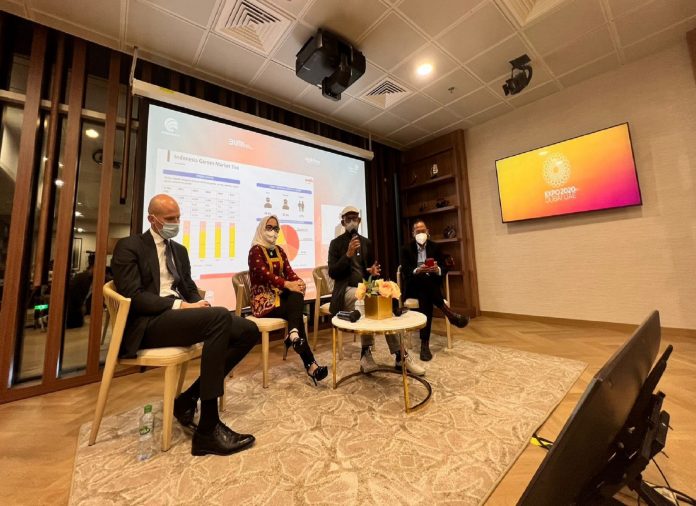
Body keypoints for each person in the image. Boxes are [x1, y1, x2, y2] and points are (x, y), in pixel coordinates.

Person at [111, 194, 259, 457]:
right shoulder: (129, 246)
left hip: (176, 318)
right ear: (152, 219)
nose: (176, 223)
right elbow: (134, 296)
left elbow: (188, 287)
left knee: (248, 330)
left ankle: (189, 398)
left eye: (178, 218)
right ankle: (208, 430)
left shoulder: (178, 250)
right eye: (170, 219)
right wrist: (181, 306)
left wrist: (198, 304)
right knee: (219, 318)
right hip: (147, 324)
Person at [328, 206, 425, 376]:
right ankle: (366, 354)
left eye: (355, 218)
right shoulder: (336, 244)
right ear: (343, 222)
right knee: (365, 301)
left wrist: (371, 272)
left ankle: (400, 356)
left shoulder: (366, 242)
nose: (352, 222)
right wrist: (348, 254)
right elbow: (333, 273)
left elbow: (368, 272)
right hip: (346, 290)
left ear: (359, 221)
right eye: (348, 219)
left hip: (366, 287)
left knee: (384, 298)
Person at [248, 215, 328, 384]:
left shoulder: (279, 250)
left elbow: (289, 272)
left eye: (276, 228)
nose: (273, 231)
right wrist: (287, 284)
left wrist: (298, 282)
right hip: (263, 301)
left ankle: (293, 336)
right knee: (295, 314)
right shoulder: (255, 251)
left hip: (280, 297)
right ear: (262, 228)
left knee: (296, 294)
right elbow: (265, 275)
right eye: (269, 227)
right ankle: (310, 363)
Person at [400, 219, 469, 361]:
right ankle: (449, 314)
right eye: (418, 231)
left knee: (426, 291)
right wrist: (417, 270)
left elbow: (444, 267)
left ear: (427, 232)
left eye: (423, 230)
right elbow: (405, 271)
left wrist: (437, 269)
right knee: (423, 279)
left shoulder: (435, 247)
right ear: (413, 233)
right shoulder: (406, 249)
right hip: (413, 285)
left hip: (429, 286)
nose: (421, 233)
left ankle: (424, 344)